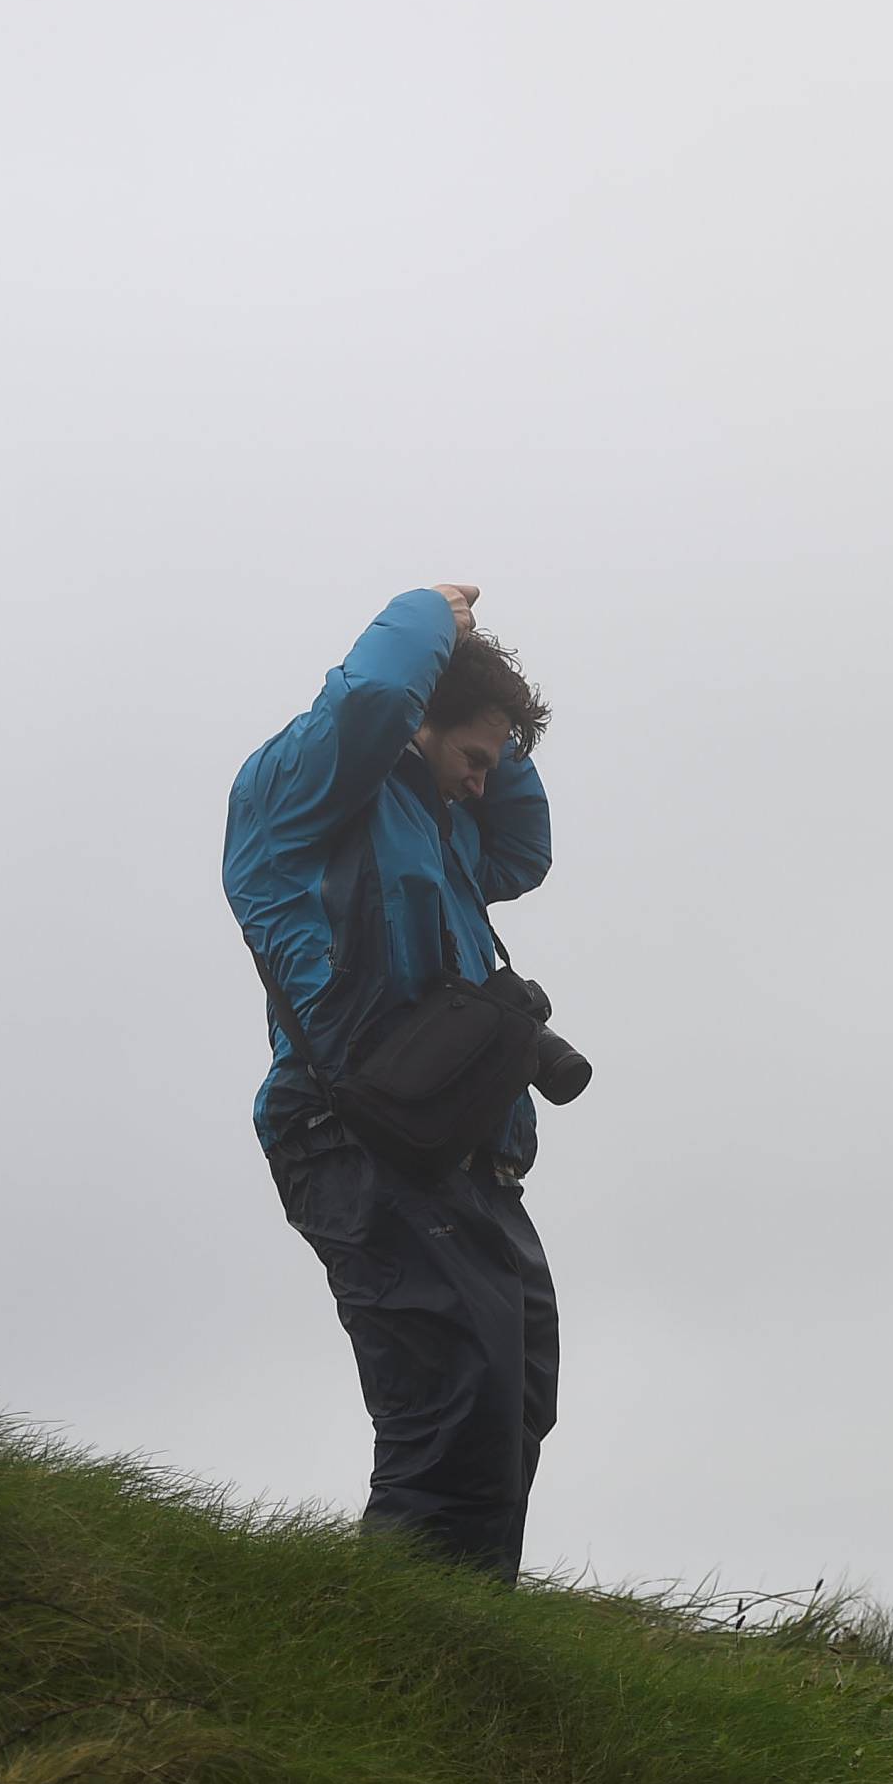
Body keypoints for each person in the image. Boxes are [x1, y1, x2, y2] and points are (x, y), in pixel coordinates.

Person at [222, 583, 560, 1582]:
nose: (481, 785)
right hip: (352, 1134)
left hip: (463, 1153)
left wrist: (497, 722)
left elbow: (525, 852)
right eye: (474, 759)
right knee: (448, 1401)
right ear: (419, 718)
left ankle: (471, 1643)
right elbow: (370, 704)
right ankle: (407, 1665)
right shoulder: (306, 796)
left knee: (512, 1397)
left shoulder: (449, 831)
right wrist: (428, 616)